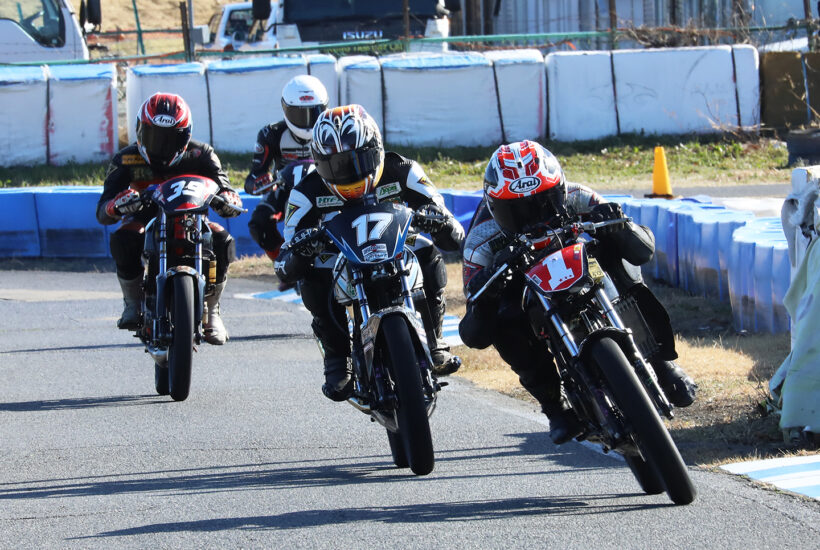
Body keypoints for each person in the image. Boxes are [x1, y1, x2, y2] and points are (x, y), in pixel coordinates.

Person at [459, 140, 697, 444]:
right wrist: (490, 290)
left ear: (559, 188)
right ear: (494, 206)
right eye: (516, 211)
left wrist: (619, 227)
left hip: (578, 261)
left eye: (544, 203)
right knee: (502, 318)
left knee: (616, 252)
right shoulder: (480, 240)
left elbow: (643, 250)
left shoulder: (579, 196)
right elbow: (473, 333)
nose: (534, 218)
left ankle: (661, 362)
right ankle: (554, 407)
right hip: (524, 284)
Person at [274, 104, 465, 401]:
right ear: (319, 163)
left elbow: (450, 226)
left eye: (357, 160)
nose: (347, 173)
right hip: (339, 258)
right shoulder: (305, 192)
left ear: (376, 150)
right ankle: (338, 358)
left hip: (396, 247)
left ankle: (434, 340)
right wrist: (302, 249)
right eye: (336, 166)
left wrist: (437, 220)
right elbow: (285, 260)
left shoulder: (404, 170)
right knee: (311, 276)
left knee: (428, 253)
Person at [96, 92, 243, 345]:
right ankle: (132, 302)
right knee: (123, 238)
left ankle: (212, 311)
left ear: (185, 135)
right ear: (140, 130)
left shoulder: (202, 154)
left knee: (222, 238)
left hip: (192, 218)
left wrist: (229, 200)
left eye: (170, 138)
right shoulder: (126, 158)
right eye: (154, 136)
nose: (161, 145)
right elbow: (103, 210)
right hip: (146, 217)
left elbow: (226, 189)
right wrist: (116, 205)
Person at [245, 75, 329, 278]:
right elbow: (253, 177)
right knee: (259, 223)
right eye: (300, 114)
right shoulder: (271, 133)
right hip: (285, 189)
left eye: (313, 112)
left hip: (327, 185)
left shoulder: (332, 129)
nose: (307, 120)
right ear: (286, 110)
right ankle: (284, 263)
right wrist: (261, 181)